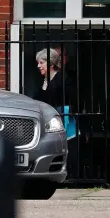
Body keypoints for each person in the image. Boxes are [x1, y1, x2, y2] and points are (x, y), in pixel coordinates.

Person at [35, 48, 79, 177]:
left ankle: (70, 177)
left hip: (64, 120)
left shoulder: (64, 80)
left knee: (68, 150)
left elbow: (70, 100)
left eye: (41, 62)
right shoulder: (43, 81)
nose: (38, 66)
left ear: (51, 64)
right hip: (49, 121)